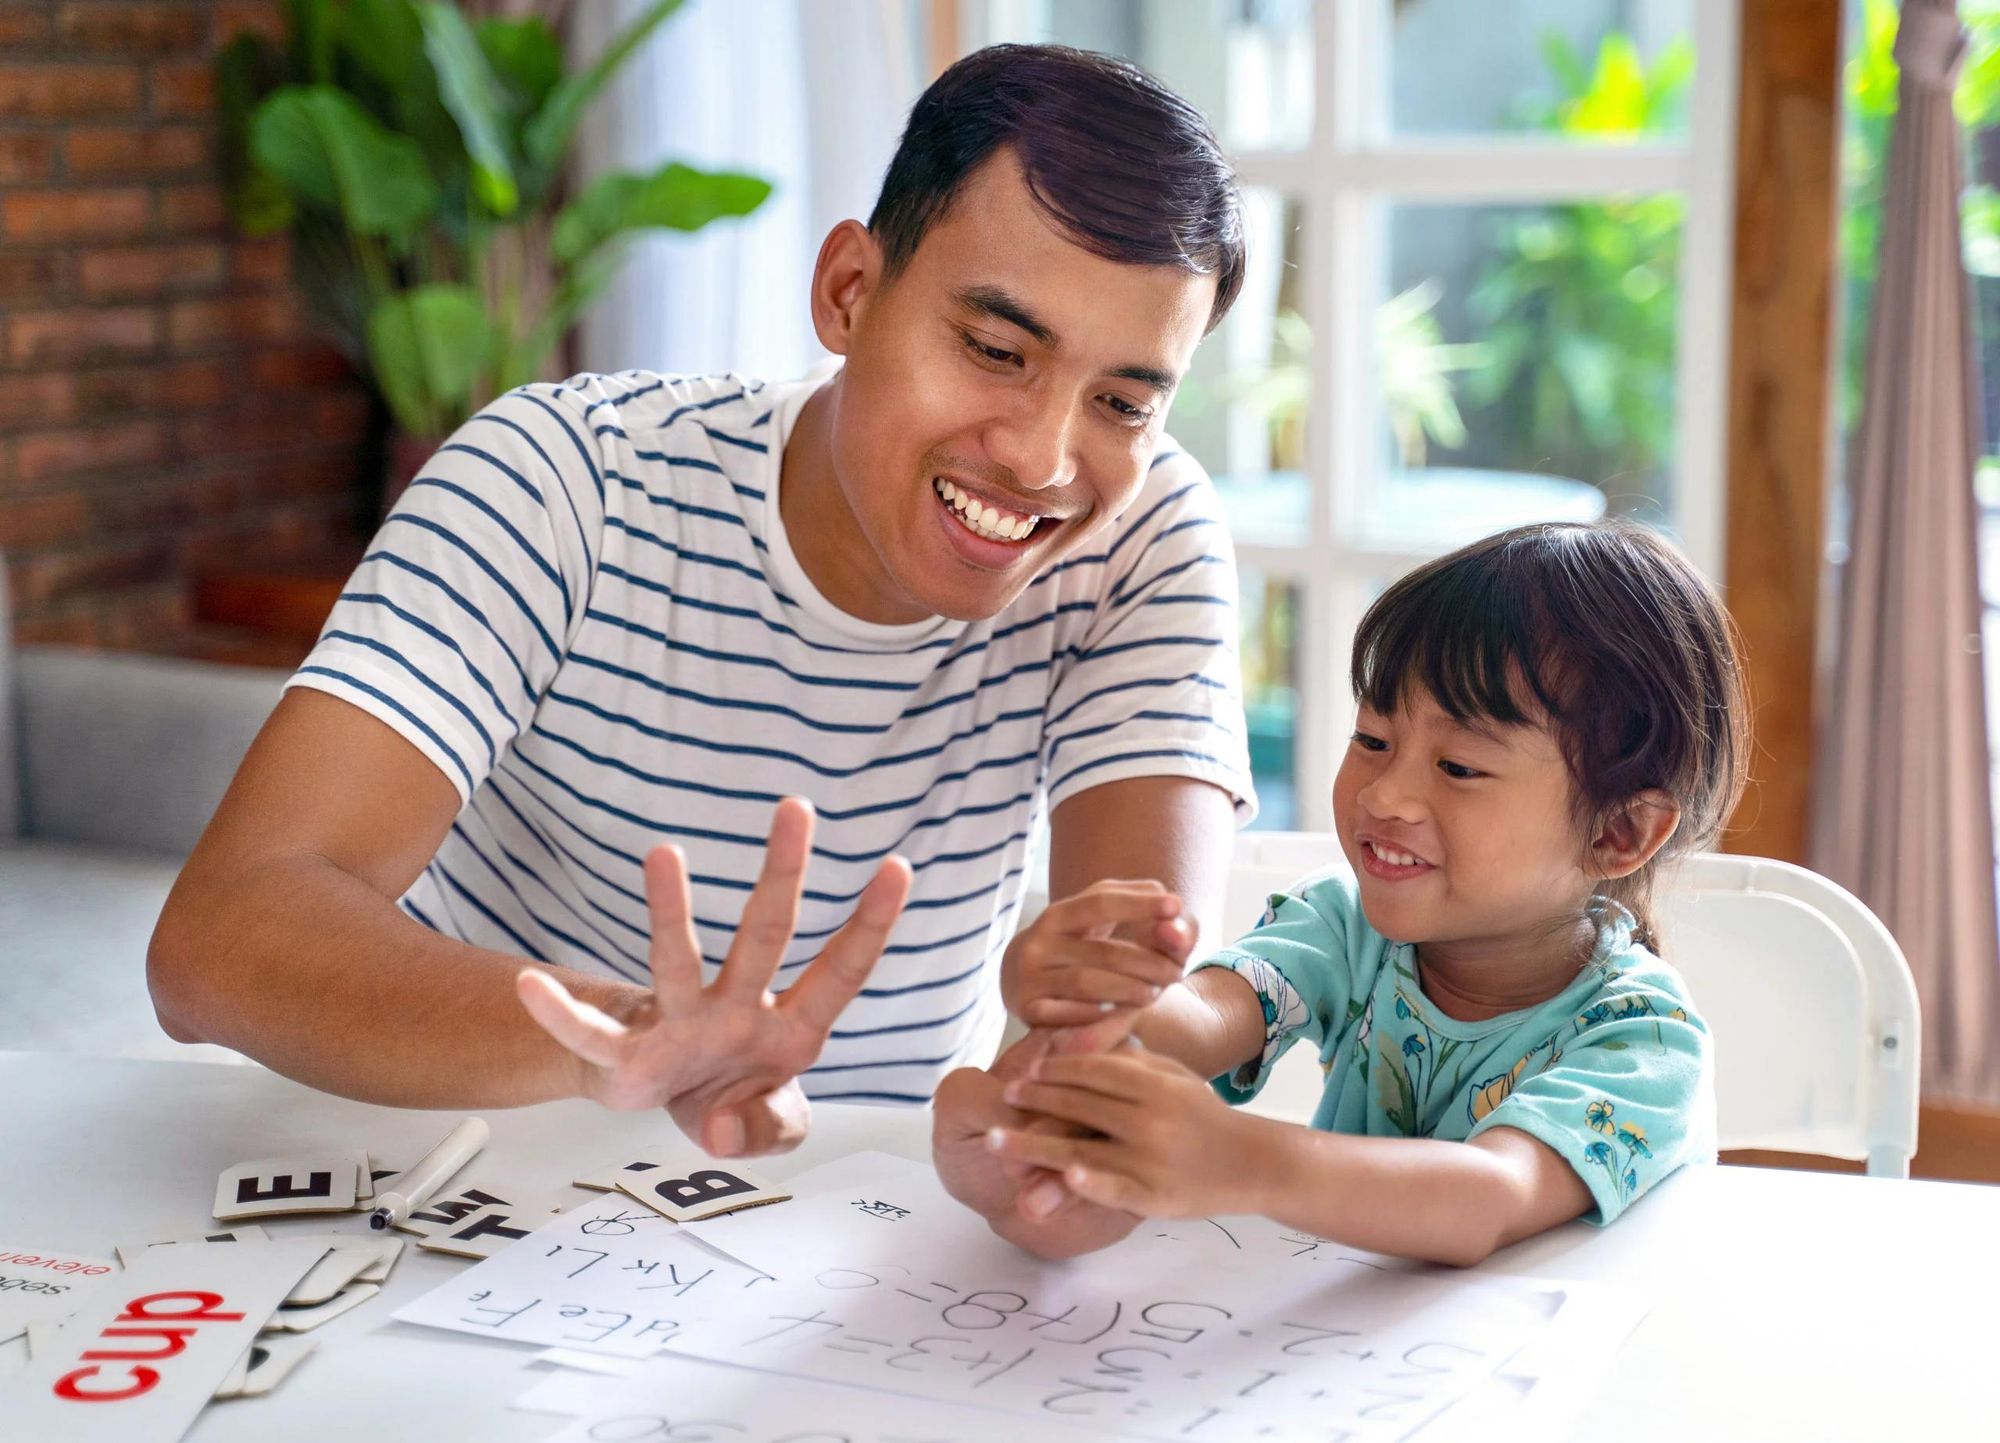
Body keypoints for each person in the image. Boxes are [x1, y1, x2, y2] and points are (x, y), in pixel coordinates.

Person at [147, 44, 1254, 1156]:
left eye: (1119, 400)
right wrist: (621, 1041)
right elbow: (222, 937)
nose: (1041, 458)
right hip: (472, 1179)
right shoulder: (564, 480)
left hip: (854, 1241)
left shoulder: (1140, 538)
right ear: (848, 293)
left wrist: (1082, 1066)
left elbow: (1123, 1016)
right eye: (994, 348)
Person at [937, 521, 1750, 1264]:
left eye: (1459, 766)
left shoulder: (1644, 1040)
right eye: (1372, 738)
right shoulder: (1346, 925)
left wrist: (1248, 1159)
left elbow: (1489, 1196)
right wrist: (1096, 991)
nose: (1384, 795)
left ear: (1618, 833)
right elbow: (1203, 1019)